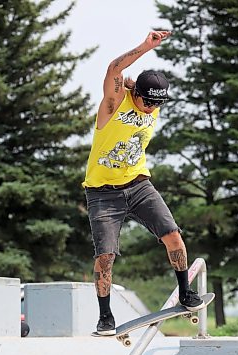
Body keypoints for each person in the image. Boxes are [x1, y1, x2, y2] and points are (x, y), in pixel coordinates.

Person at [83, 30, 204, 336]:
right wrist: (145, 47)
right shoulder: (115, 102)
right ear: (136, 93)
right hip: (102, 193)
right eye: (146, 102)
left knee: (173, 235)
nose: (150, 108)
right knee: (105, 256)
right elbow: (114, 71)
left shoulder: (155, 105)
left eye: (155, 104)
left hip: (138, 185)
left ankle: (186, 292)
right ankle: (105, 316)